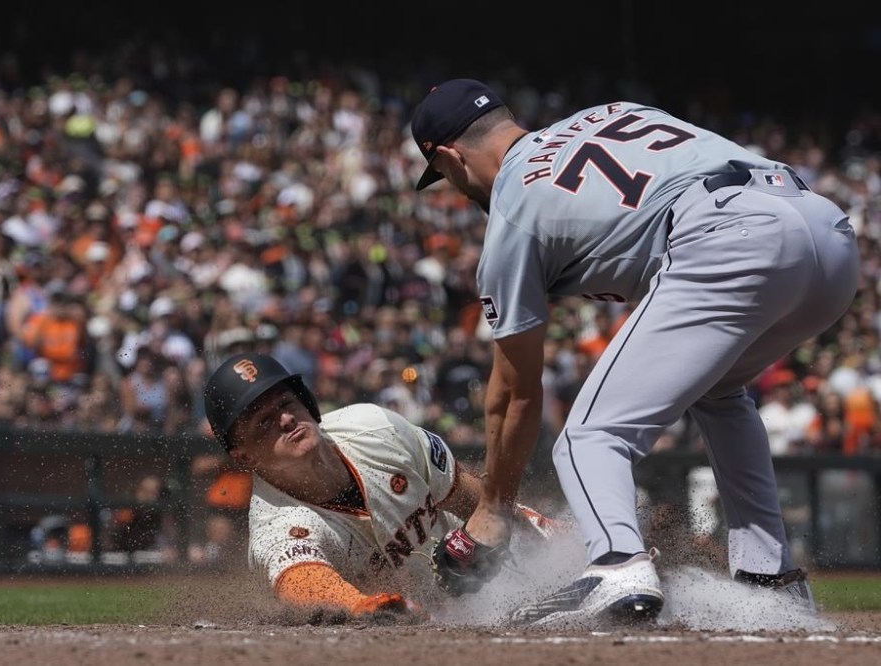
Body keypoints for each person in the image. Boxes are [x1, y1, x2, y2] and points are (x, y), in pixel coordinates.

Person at [409, 78, 860, 626]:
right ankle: (770, 580)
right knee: (718, 392)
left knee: (589, 436)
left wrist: (494, 506)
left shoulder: (513, 210)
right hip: (828, 236)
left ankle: (617, 565)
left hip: (728, 235)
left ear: (450, 157)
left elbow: (516, 391)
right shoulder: (612, 111)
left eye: (445, 178)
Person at [202, 351, 563, 620]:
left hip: (489, 569)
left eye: (285, 403)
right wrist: (358, 604)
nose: (284, 419)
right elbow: (301, 578)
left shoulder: (376, 427)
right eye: (263, 422)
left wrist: (530, 527)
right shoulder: (277, 525)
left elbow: (465, 494)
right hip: (416, 634)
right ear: (244, 457)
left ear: (307, 404)